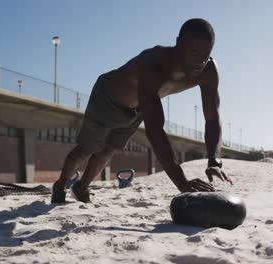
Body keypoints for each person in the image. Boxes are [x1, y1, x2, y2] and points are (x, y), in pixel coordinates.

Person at [52, 18, 232, 203]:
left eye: (206, 52)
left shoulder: (208, 70)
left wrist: (214, 160)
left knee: (108, 150)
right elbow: (155, 129)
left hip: (138, 107)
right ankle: (60, 186)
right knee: (88, 148)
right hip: (107, 98)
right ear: (179, 44)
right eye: (194, 51)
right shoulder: (154, 64)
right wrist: (182, 182)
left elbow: (212, 118)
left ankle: (81, 189)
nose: (200, 60)